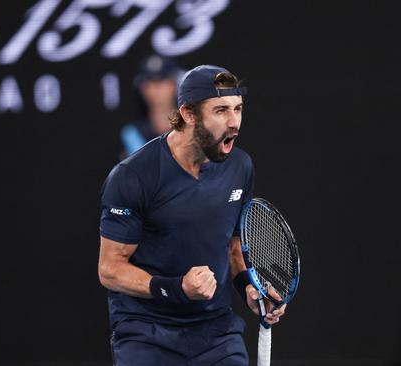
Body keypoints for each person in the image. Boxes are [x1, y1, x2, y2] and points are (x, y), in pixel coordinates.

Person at [98, 64, 287, 365]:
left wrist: (249, 288)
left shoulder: (240, 167)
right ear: (188, 114)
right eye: (221, 110)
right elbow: (110, 269)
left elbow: (232, 245)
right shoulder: (132, 176)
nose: (234, 122)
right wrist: (177, 289)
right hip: (146, 333)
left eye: (238, 109)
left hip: (215, 332)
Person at [120, 54, 181, 158]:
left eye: (161, 82)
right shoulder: (133, 134)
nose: (154, 89)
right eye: (148, 83)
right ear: (141, 88)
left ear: (173, 85)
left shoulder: (194, 129)